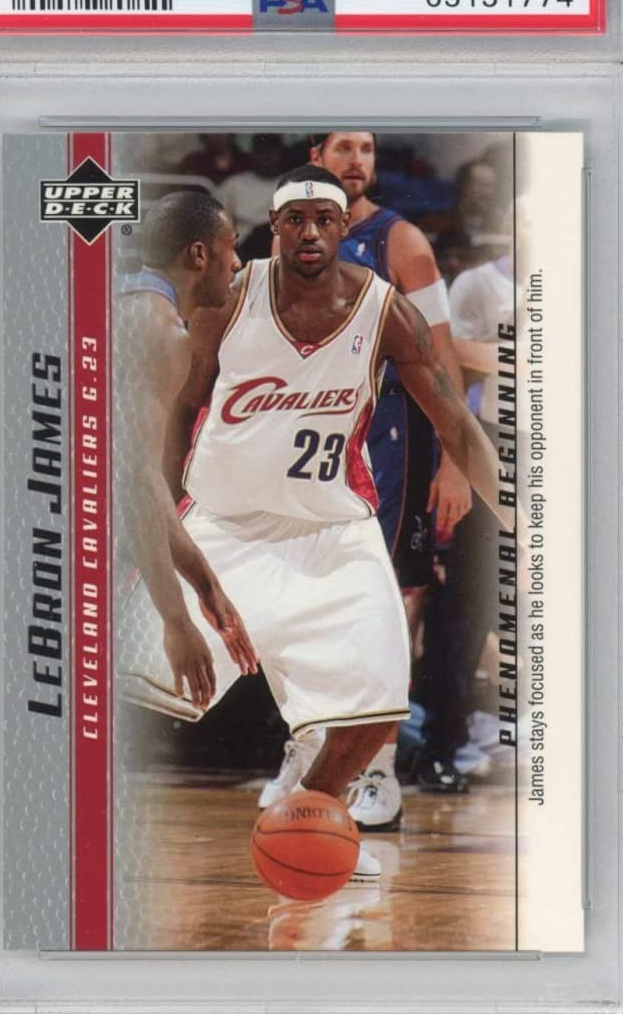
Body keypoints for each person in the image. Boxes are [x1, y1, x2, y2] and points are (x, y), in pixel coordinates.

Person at [120, 165, 511, 884]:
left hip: (331, 530)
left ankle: (307, 814)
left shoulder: (385, 311)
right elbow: (176, 413)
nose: (309, 232)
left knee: (381, 700)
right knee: (126, 682)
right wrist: (164, 510)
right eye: (294, 220)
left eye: (323, 220)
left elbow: (456, 424)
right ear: (274, 228)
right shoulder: (225, 300)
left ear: (344, 227)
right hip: (224, 523)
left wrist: (519, 513)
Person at [262, 133, 472, 825]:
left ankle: (377, 774)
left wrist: (454, 462)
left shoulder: (400, 241)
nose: (359, 161)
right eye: (345, 147)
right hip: (309, 450)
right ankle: (308, 746)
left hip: (391, 450)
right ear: (315, 156)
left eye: (369, 149)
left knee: (385, 608)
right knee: (300, 607)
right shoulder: (290, 243)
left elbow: (442, 355)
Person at [116, 189, 258, 718]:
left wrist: (205, 584)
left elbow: (143, 482)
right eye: (231, 246)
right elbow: (134, 484)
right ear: (199, 255)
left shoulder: (129, 305)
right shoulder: (161, 331)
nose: (237, 263)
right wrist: (175, 622)